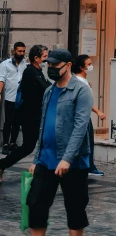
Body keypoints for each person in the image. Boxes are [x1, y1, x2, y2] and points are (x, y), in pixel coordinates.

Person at [27, 48, 93, 236]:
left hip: (73, 162)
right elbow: (43, 126)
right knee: (36, 206)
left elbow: (81, 127)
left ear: (68, 66)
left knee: (75, 209)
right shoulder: (49, 91)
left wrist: (67, 158)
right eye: (49, 64)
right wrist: (36, 157)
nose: (51, 68)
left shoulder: (81, 90)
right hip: (46, 160)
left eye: (55, 65)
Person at [0, 44, 49, 182]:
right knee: (28, 146)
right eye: (45, 57)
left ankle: (46, 172)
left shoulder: (38, 71)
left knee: (42, 143)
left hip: (38, 115)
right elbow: (45, 87)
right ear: (36, 58)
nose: (47, 60)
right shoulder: (31, 72)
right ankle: (3, 164)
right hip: (29, 116)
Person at [72, 55, 106, 178]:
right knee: (87, 143)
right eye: (89, 64)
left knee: (87, 142)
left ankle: (87, 166)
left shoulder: (83, 81)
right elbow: (86, 102)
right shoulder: (80, 83)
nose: (91, 66)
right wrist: (99, 112)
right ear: (82, 67)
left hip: (84, 116)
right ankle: (88, 167)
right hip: (83, 117)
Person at [0, 40, 27, 154]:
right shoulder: (5, 64)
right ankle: (5, 143)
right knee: (8, 121)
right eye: (19, 51)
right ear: (14, 51)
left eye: (23, 51)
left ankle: (13, 143)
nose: (21, 53)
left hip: (21, 99)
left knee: (18, 121)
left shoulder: (24, 64)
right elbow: (1, 79)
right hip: (10, 98)